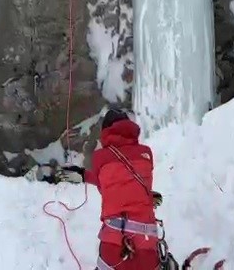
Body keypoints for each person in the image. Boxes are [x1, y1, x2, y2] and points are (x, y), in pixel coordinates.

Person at [60, 108, 167, 270]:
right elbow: (129, 181)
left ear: (105, 131)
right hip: (147, 244)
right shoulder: (146, 153)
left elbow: (108, 186)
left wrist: (83, 175)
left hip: (115, 244)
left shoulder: (100, 157)